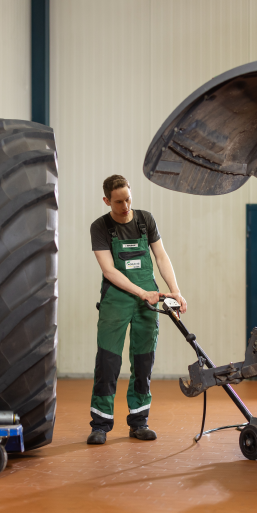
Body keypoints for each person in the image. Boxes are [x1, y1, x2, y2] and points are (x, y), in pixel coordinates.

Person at [87, 175, 188, 445]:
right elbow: (109, 270)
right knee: (108, 363)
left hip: (148, 301)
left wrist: (175, 290)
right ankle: (100, 425)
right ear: (107, 201)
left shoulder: (145, 220)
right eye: (118, 201)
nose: (125, 206)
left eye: (128, 198)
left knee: (143, 363)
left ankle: (139, 421)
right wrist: (142, 293)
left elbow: (161, 256)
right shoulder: (101, 227)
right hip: (116, 301)